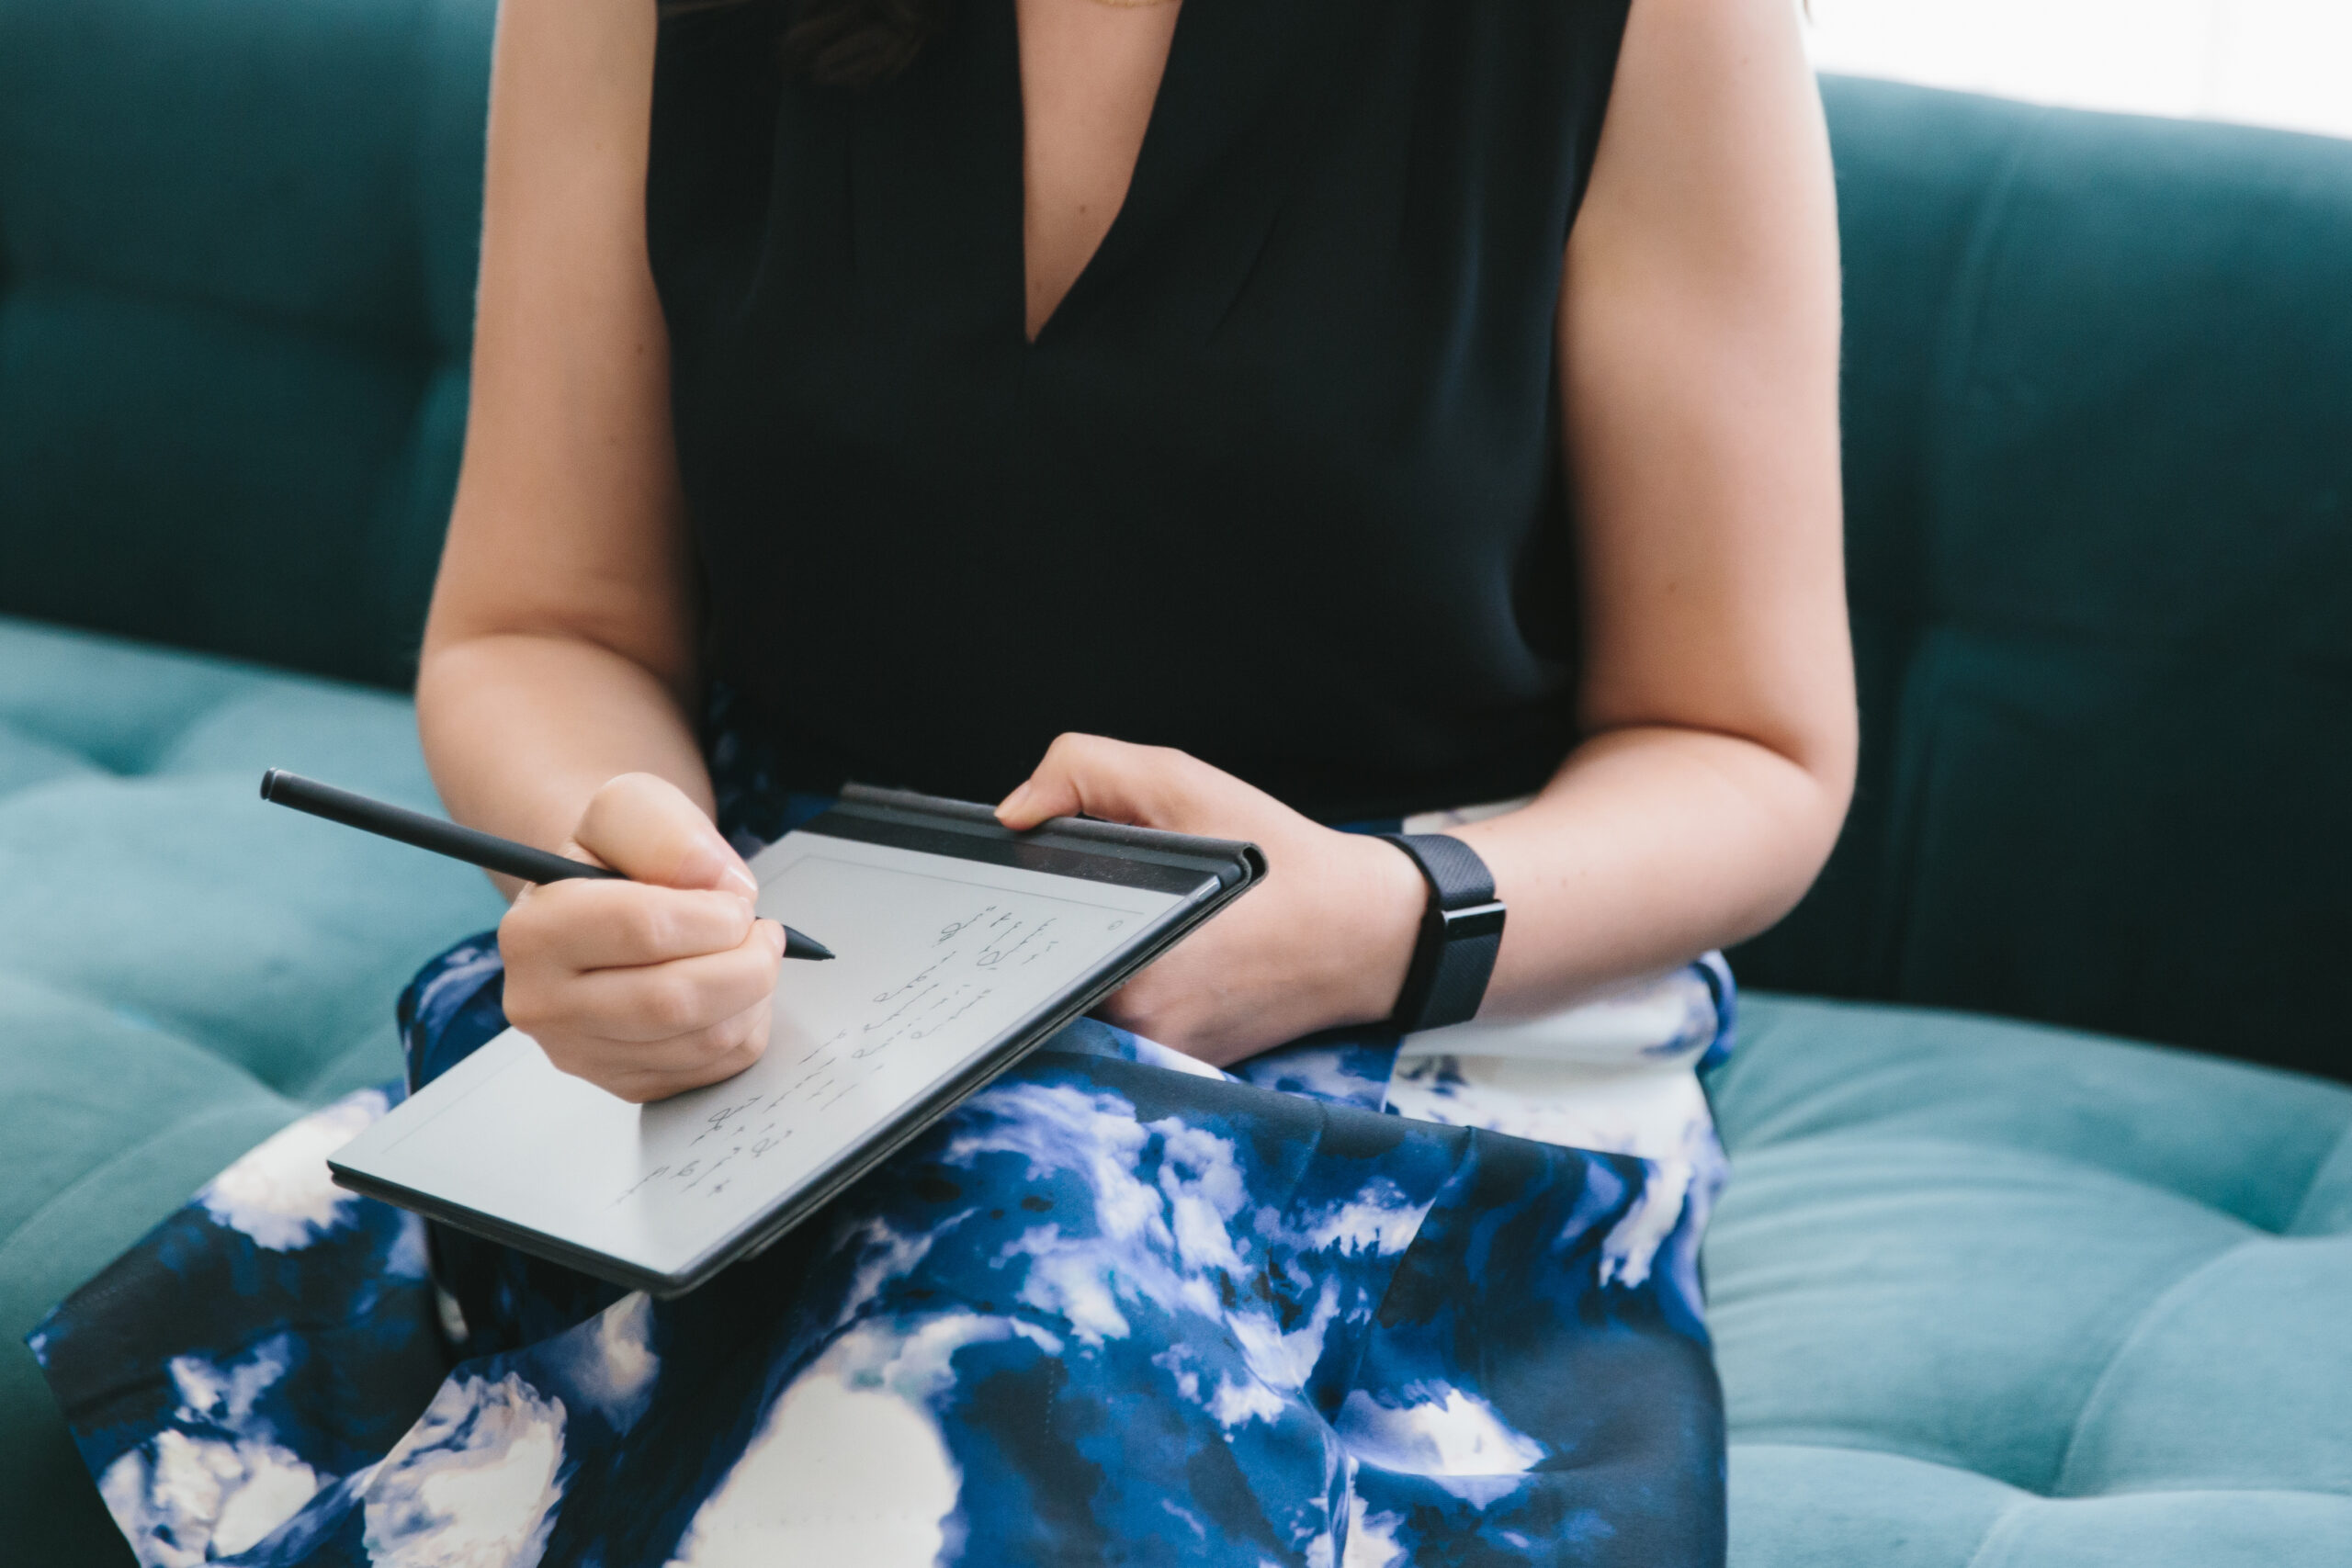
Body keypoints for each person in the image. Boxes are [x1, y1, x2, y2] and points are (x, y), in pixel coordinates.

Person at [35, 0, 1851, 1560]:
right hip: (797, 968)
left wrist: (1366, 921)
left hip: (1423, 974)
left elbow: (1749, 745)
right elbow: (543, 620)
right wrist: (615, 867)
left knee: (985, 1271)